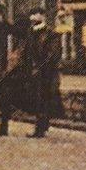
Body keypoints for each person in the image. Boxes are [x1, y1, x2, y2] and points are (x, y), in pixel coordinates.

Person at [26, 10, 63, 138]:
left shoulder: (51, 34)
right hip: (35, 72)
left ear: (42, 17)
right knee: (37, 100)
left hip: (48, 73)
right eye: (32, 14)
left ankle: (40, 128)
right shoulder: (31, 33)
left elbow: (52, 55)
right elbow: (28, 53)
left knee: (44, 99)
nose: (32, 17)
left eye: (36, 14)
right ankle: (41, 126)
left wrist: (39, 68)